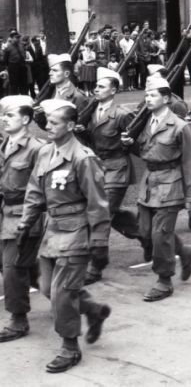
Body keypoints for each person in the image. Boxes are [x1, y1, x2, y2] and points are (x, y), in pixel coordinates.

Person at [17, 99, 112, 373]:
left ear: (70, 126)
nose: (48, 126)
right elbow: (35, 192)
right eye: (48, 122)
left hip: (77, 232)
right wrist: (25, 223)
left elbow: (98, 202)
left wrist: (99, 240)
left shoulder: (83, 158)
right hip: (52, 231)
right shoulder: (46, 152)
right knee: (47, 287)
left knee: (62, 293)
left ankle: (70, 348)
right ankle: (93, 310)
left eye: (54, 123)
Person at [120, 77, 191, 301]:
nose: (148, 98)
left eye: (153, 95)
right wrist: (130, 145)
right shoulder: (146, 123)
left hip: (170, 184)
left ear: (166, 99)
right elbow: (147, 152)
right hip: (149, 183)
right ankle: (184, 252)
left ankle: (164, 281)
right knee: (145, 232)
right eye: (146, 95)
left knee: (160, 234)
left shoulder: (180, 126)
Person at [76, 67, 148, 285]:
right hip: (97, 167)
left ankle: (96, 265)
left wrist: (129, 143)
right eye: (96, 86)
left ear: (113, 90)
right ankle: (147, 237)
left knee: (101, 215)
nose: (96, 89)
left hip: (117, 168)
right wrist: (82, 132)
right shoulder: (91, 112)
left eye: (101, 86)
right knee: (110, 213)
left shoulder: (122, 114)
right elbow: (91, 141)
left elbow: (138, 145)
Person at [0, 96, 44, 343]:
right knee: (17, 266)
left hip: (24, 217)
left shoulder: (37, 149)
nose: (3, 119)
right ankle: (75, 300)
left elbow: (43, 188)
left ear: (26, 119)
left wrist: (31, 218)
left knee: (13, 268)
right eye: (3, 115)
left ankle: (18, 320)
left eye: (9, 115)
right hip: (5, 213)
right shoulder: (4, 145)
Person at [34, 54, 87, 130]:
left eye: (55, 70)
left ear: (66, 74)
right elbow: (48, 126)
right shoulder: (50, 91)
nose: (50, 73)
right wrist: (40, 115)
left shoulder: (78, 96)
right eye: (50, 70)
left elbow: (79, 127)